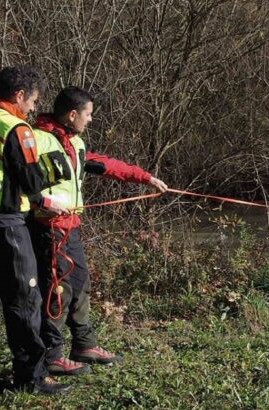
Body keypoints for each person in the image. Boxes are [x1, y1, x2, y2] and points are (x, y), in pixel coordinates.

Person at [27, 86, 168, 376]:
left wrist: (145, 177)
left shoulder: (75, 144)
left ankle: (84, 345)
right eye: (88, 114)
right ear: (72, 114)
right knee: (58, 292)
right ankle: (52, 355)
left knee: (80, 283)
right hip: (47, 229)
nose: (90, 120)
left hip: (72, 229)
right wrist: (40, 204)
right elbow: (18, 180)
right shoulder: (35, 140)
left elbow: (106, 164)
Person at [0, 65, 72, 396]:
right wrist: (51, 183)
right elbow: (32, 181)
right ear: (20, 96)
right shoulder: (17, 130)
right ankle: (31, 377)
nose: (34, 108)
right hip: (8, 227)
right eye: (33, 101)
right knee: (24, 301)